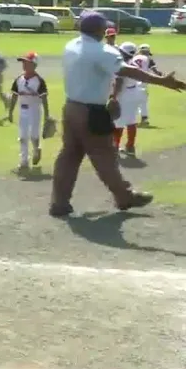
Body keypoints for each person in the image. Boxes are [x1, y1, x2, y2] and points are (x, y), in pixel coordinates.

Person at [50, 11, 185, 217]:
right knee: (104, 154)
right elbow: (128, 71)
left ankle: (59, 203)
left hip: (71, 108)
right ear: (98, 30)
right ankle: (124, 196)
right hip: (91, 111)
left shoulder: (71, 45)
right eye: (104, 27)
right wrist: (162, 81)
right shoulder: (103, 51)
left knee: (68, 155)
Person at [7, 52, 49, 171]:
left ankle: (37, 149)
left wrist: (47, 115)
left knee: (33, 135)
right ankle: (24, 161)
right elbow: (14, 96)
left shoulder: (39, 81)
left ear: (34, 64)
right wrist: (10, 112)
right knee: (22, 136)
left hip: (35, 111)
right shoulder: (19, 80)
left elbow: (44, 99)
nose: (24, 64)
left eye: (27, 62)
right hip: (23, 110)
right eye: (23, 62)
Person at [111, 42, 145, 156]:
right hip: (135, 92)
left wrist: (113, 96)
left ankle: (115, 146)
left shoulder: (123, 65)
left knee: (118, 122)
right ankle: (130, 146)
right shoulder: (134, 62)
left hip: (124, 94)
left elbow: (119, 82)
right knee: (132, 121)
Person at [136, 43, 160, 126]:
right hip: (142, 83)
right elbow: (155, 71)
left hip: (131, 82)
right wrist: (162, 76)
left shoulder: (133, 57)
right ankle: (144, 118)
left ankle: (128, 119)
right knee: (143, 101)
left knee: (131, 100)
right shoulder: (148, 59)